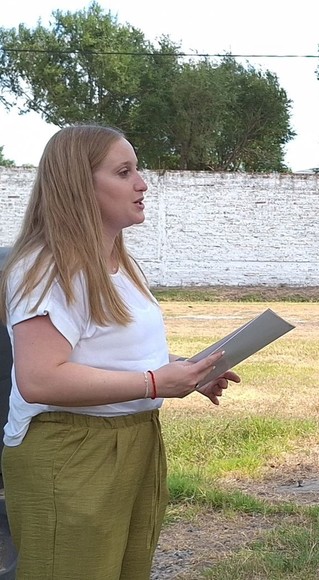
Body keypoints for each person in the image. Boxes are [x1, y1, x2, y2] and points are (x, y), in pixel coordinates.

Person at [0, 124, 241, 580]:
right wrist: (154, 383)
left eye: (137, 169)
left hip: (133, 439)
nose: (142, 183)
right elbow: (39, 378)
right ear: (78, 185)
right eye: (124, 171)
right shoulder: (47, 267)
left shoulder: (120, 264)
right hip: (72, 448)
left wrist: (187, 370)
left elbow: (113, 355)